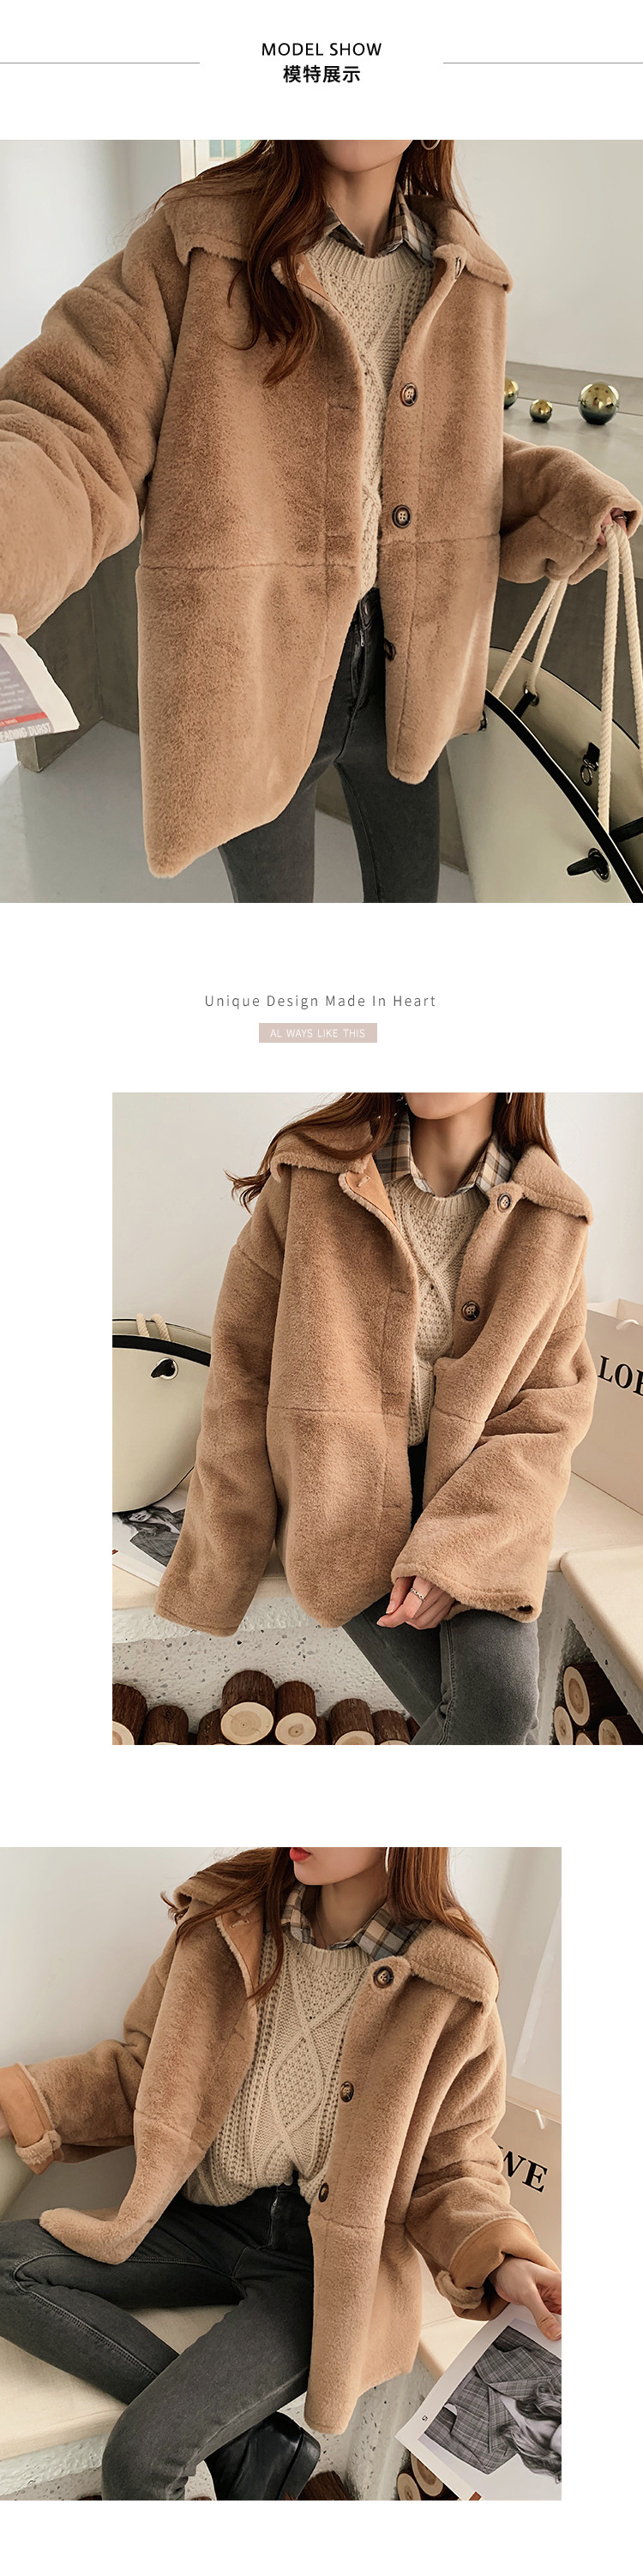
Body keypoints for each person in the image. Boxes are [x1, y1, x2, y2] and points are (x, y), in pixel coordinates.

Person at [0, 141, 637, 899]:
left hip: (405, 683)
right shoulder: (197, 245)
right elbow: (72, 427)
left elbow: (443, 458)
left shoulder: (466, 276)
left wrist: (562, 488)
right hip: (253, 682)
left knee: (411, 903)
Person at [0, 1846, 562, 2500]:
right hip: (207, 2217)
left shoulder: (448, 1985)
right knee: (8, 2264)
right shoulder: (223, 1923)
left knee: (140, 2460)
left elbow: (452, 2161)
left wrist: (501, 2258)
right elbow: (149, 2078)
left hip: (321, 2267)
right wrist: (21, 2099)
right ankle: (252, 2443)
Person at [155, 1090, 596, 1743]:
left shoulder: (554, 1220)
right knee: (497, 1726)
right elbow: (242, 1373)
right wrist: (224, 1554)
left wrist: (455, 1552)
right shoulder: (313, 1174)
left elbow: (547, 1414)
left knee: (502, 1706)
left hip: (481, 1501)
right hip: (341, 1496)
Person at [430, 2321, 562, 2484]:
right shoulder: (555, 2372)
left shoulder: (490, 2458)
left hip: (421, 2367)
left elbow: (418, 2412)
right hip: (447, 2323)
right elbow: (492, 2325)